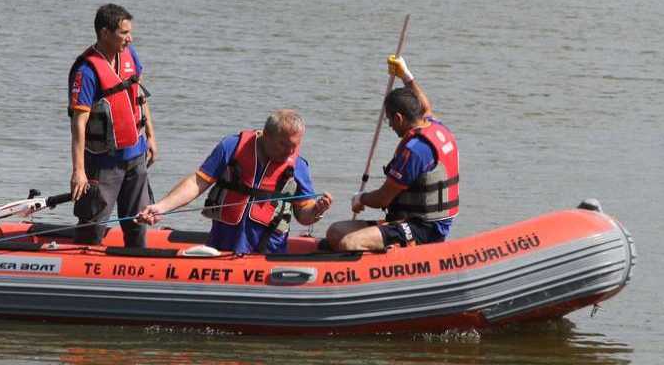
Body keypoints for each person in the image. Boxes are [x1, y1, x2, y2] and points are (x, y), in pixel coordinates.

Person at [136, 109, 333, 254]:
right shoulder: (232, 146)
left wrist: (317, 210)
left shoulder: (298, 166)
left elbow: (304, 215)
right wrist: (161, 207)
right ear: (267, 135)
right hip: (223, 242)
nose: (290, 151)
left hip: (268, 250)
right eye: (284, 144)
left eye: (295, 145)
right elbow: (197, 182)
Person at [326, 56, 458, 251]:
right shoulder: (436, 127)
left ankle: (393, 262)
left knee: (350, 243)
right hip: (407, 220)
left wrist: (360, 199)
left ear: (399, 118)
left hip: (424, 228)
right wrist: (406, 75)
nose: (390, 126)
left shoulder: (415, 151)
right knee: (335, 232)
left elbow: (383, 198)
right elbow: (425, 105)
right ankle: (388, 243)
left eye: (389, 120)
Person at [68, 3, 157, 247]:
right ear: (105, 33)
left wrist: (150, 135)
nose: (130, 38)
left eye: (130, 32)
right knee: (92, 228)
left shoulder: (130, 55)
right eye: (124, 33)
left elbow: (139, 95)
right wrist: (78, 171)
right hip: (103, 164)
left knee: (138, 226)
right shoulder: (86, 71)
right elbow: (78, 124)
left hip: (136, 157)